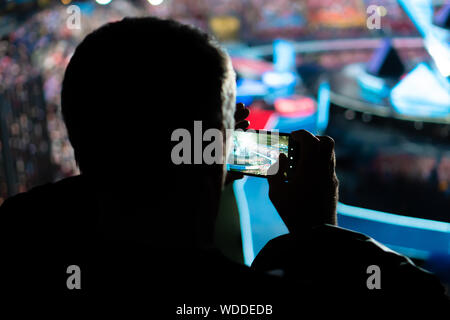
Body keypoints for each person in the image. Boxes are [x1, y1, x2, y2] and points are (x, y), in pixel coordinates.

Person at [0, 17, 448, 315]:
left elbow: (121, 168)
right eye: (227, 119)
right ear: (209, 143)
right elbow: (423, 304)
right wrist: (318, 234)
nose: (243, 125)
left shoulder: (22, 241)